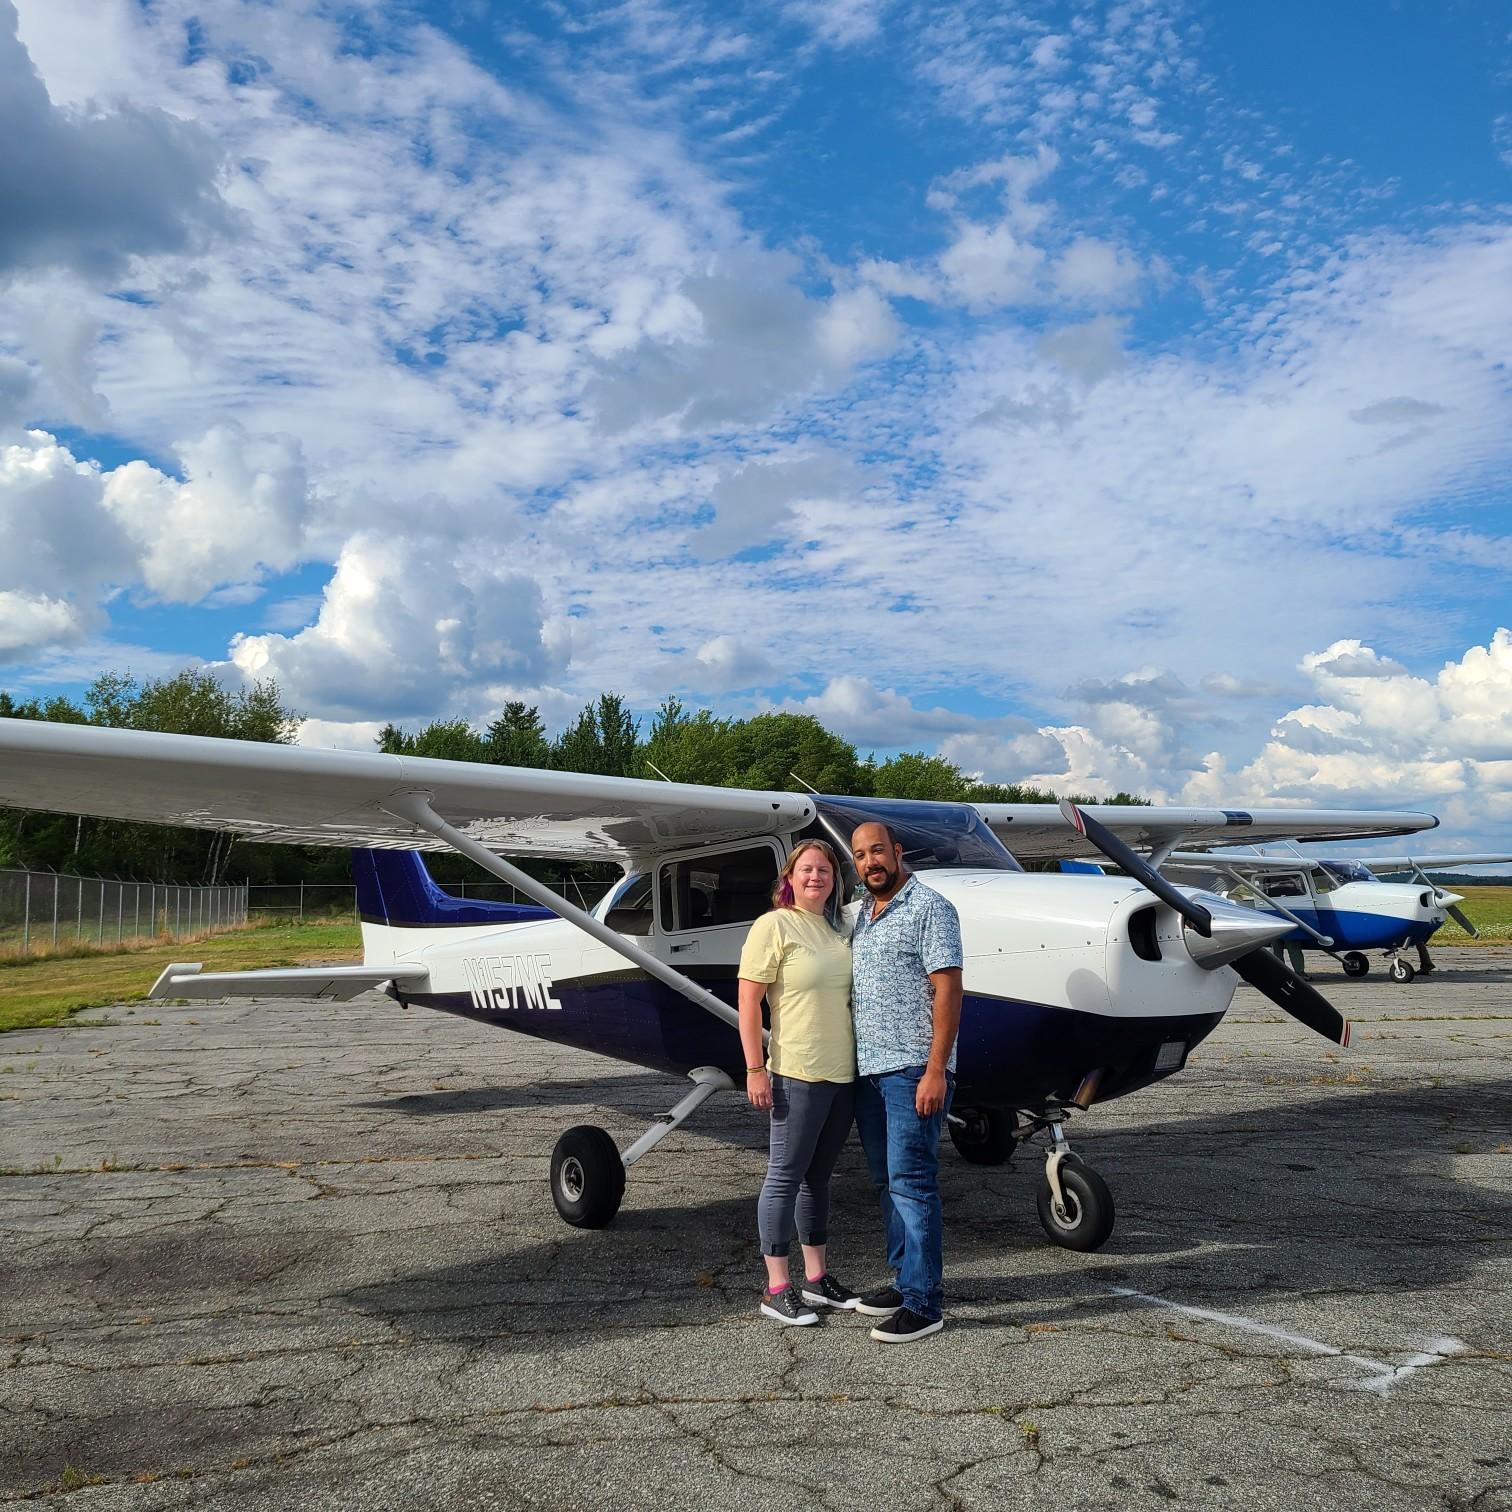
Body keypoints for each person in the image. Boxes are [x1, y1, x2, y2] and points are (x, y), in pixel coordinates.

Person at [737, 838, 860, 1326]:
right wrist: (754, 1068)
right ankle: (777, 1287)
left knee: (819, 1178)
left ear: (835, 880)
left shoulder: (838, 929)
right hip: (797, 1070)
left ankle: (816, 1279)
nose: (816, 877)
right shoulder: (774, 925)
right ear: (789, 878)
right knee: (784, 1175)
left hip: (842, 1072)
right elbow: (749, 1003)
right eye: (807, 870)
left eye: (825, 871)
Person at [848, 820, 963, 1343]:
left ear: (896, 852)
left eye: (877, 851)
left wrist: (936, 1069)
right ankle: (903, 1281)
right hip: (869, 1071)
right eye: (860, 855)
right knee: (886, 1183)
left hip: (913, 1069)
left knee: (913, 1185)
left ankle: (924, 1303)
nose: (870, 862)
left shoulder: (931, 909)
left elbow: (948, 992)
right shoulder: (863, 917)